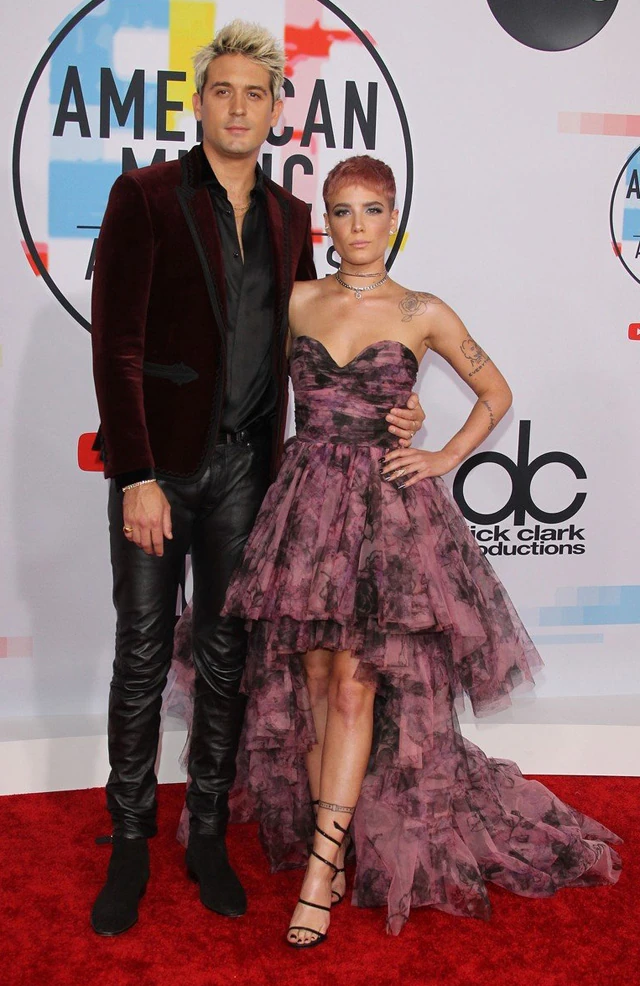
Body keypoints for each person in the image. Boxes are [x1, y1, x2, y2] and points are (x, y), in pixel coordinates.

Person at [204, 155, 620, 946]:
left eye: (372, 210)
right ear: (326, 224)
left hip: (386, 520)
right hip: (307, 512)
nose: (357, 226)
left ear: (393, 220)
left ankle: (319, 876)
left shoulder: (422, 310)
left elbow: (496, 393)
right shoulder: (296, 301)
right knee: (316, 682)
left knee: (355, 688)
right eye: (342, 211)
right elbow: (248, 393)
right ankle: (336, 840)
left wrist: (439, 452)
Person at [90, 22, 424, 937]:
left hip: (250, 473)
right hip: (159, 472)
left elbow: (312, 349)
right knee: (143, 651)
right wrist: (135, 474)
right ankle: (130, 843)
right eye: (223, 91)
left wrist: (396, 407)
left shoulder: (287, 215)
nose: (238, 108)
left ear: (276, 109)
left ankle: (206, 835)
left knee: (226, 657)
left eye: (255, 94)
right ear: (199, 103)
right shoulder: (144, 196)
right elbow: (116, 346)